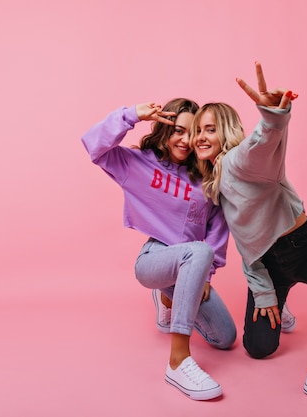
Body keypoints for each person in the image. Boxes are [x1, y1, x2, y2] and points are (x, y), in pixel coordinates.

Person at [191, 63, 307, 416]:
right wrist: (263, 288)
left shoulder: (238, 162)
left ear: (226, 133)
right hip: (269, 264)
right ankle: (283, 299)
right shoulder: (214, 184)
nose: (200, 136)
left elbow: (262, 144)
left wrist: (273, 115)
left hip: (304, 249)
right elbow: (245, 243)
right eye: (196, 130)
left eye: (210, 129)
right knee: (259, 348)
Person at [81, 98, 236, 401]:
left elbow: (218, 225)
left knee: (225, 338)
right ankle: (178, 361)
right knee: (199, 252)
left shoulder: (204, 177)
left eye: (191, 134)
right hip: (155, 259)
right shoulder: (138, 164)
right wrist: (131, 115)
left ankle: (168, 296)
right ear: (165, 131)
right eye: (178, 131)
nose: (185, 140)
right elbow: (92, 144)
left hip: (193, 264)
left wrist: (207, 274)